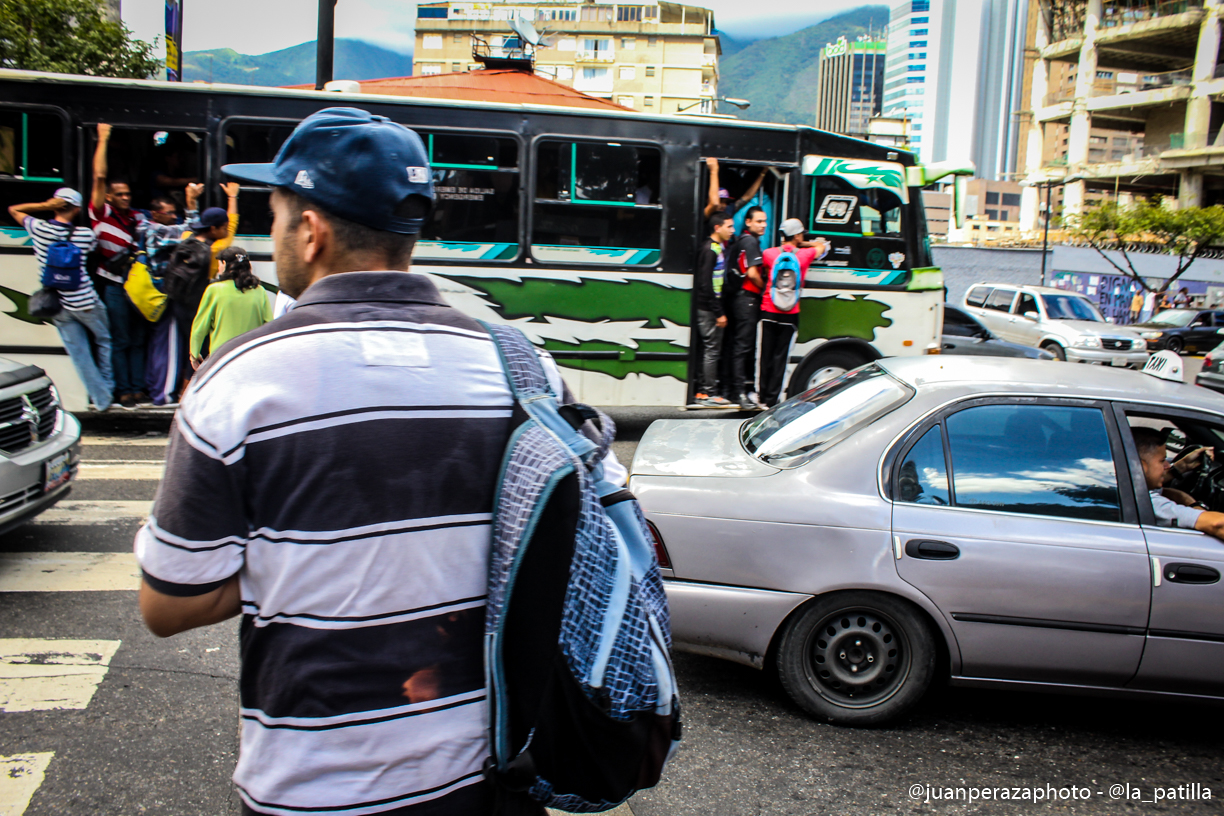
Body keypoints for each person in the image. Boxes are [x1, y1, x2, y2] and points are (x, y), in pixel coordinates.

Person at [135, 106, 622, 816]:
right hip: (488, 778)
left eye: (272, 215)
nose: (268, 236)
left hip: (314, 793)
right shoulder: (522, 366)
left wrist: (300, 556)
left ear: (311, 230)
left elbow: (168, 603)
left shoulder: (242, 379)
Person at [8, 189, 114, 410]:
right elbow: (94, 251)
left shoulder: (39, 229)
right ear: (77, 209)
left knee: (79, 354)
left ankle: (102, 399)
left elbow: (13, 209)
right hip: (86, 302)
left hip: (57, 304)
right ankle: (110, 386)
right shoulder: (86, 234)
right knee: (104, 341)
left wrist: (45, 206)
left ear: (55, 205)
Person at [90, 122, 150, 409]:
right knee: (121, 339)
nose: (126, 198)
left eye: (128, 194)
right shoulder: (101, 216)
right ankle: (123, 390)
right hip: (114, 285)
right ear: (110, 198)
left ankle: (137, 388)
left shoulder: (137, 218)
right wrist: (103, 138)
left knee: (138, 340)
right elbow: (99, 177)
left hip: (138, 287)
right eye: (120, 195)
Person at [756, 218, 830, 408]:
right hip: (790, 313)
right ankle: (772, 401)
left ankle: (761, 397)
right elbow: (822, 246)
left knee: (765, 356)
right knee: (781, 357)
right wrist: (802, 243)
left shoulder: (770, 254)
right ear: (797, 235)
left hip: (768, 310)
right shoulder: (804, 255)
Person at [1133, 427, 1224, 541]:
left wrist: (1181, 467)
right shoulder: (1148, 503)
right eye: (1162, 461)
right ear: (1140, 466)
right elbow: (1217, 525)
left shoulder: (1123, 487)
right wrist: (1195, 506)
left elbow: (1153, 485)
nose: (1168, 465)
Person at [189, 247, 271, 369]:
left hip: (221, 360)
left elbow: (199, 327)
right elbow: (269, 325)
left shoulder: (215, 290)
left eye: (219, 264)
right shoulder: (260, 291)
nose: (218, 269)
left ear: (224, 264)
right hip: (251, 358)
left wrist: (194, 354)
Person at [692, 213, 736, 407]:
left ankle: (702, 391)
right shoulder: (711, 249)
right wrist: (719, 312)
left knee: (706, 349)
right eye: (729, 226)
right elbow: (705, 283)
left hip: (707, 307)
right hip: (709, 308)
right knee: (712, 350)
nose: (732, 230)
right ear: (717, 228)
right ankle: (710, 393)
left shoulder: (716, 247)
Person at [728, 206, 768, 409]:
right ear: (748, 222)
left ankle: (734, 389)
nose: (764, 225)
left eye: (765, 221)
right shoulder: (751, 241)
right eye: (759, 221)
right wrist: (765, 289)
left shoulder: (742, 240)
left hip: (739, 299)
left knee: (738, 346)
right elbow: (753, 274)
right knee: (743, 347)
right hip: (748, 299)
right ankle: (740, 393)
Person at [182, 181, 240, 279]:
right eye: (224, 228)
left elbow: (192, 220)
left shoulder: (186, 236)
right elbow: (232, 224)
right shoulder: (216, 248)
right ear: (213, 229)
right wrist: (232, 196)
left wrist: (191, 199)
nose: (226, 231)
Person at [703, 157, 768, 219]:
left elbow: (747, 197)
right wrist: (713, 171)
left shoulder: (728, 211)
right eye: (720, 201)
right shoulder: (706, 215)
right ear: (708, 200)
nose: (723, 205)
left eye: (725, 202)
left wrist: (763, 173)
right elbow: (714, 204)